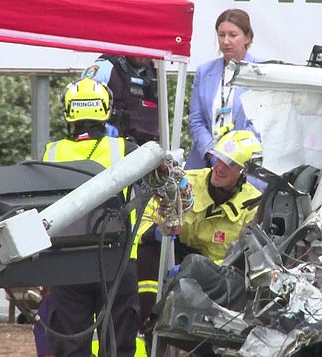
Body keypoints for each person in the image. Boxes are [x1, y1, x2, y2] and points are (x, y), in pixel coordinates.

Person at [37, 77, 140, 357]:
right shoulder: (125, 150)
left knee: (69, 346)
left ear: (70, 112)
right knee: (119, 344)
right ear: (105, 110)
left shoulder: (51, 152)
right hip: (116, 260)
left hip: (67, 262)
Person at [136, 130, 263, 346]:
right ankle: (148, 326)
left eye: (230, 164)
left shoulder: (252, 205)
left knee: (194, 265)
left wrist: (191, 272)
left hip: (214, 278)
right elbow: (143, 225)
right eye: (218, 158)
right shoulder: (184, 183)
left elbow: (242, 262)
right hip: (172, 255)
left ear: (243, 172)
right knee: (147, 253)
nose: (219, 167)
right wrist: (157, 232)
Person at [185, 9, 260, 170]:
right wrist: (212, 153)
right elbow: (196, 120)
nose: (226, 41)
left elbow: (260, 123)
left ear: (247, 37)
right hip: (205, 163)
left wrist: (231, 155)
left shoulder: (260, 72)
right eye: (221, 35)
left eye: (232, 35)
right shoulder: (204, 71)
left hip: (244, 164)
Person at [82, 54, 159, 145]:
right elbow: (83, 107)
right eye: (143, 46)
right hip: (112, 145)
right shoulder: (104, 69)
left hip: (148, 148)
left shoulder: (156, 72)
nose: (147, 54)